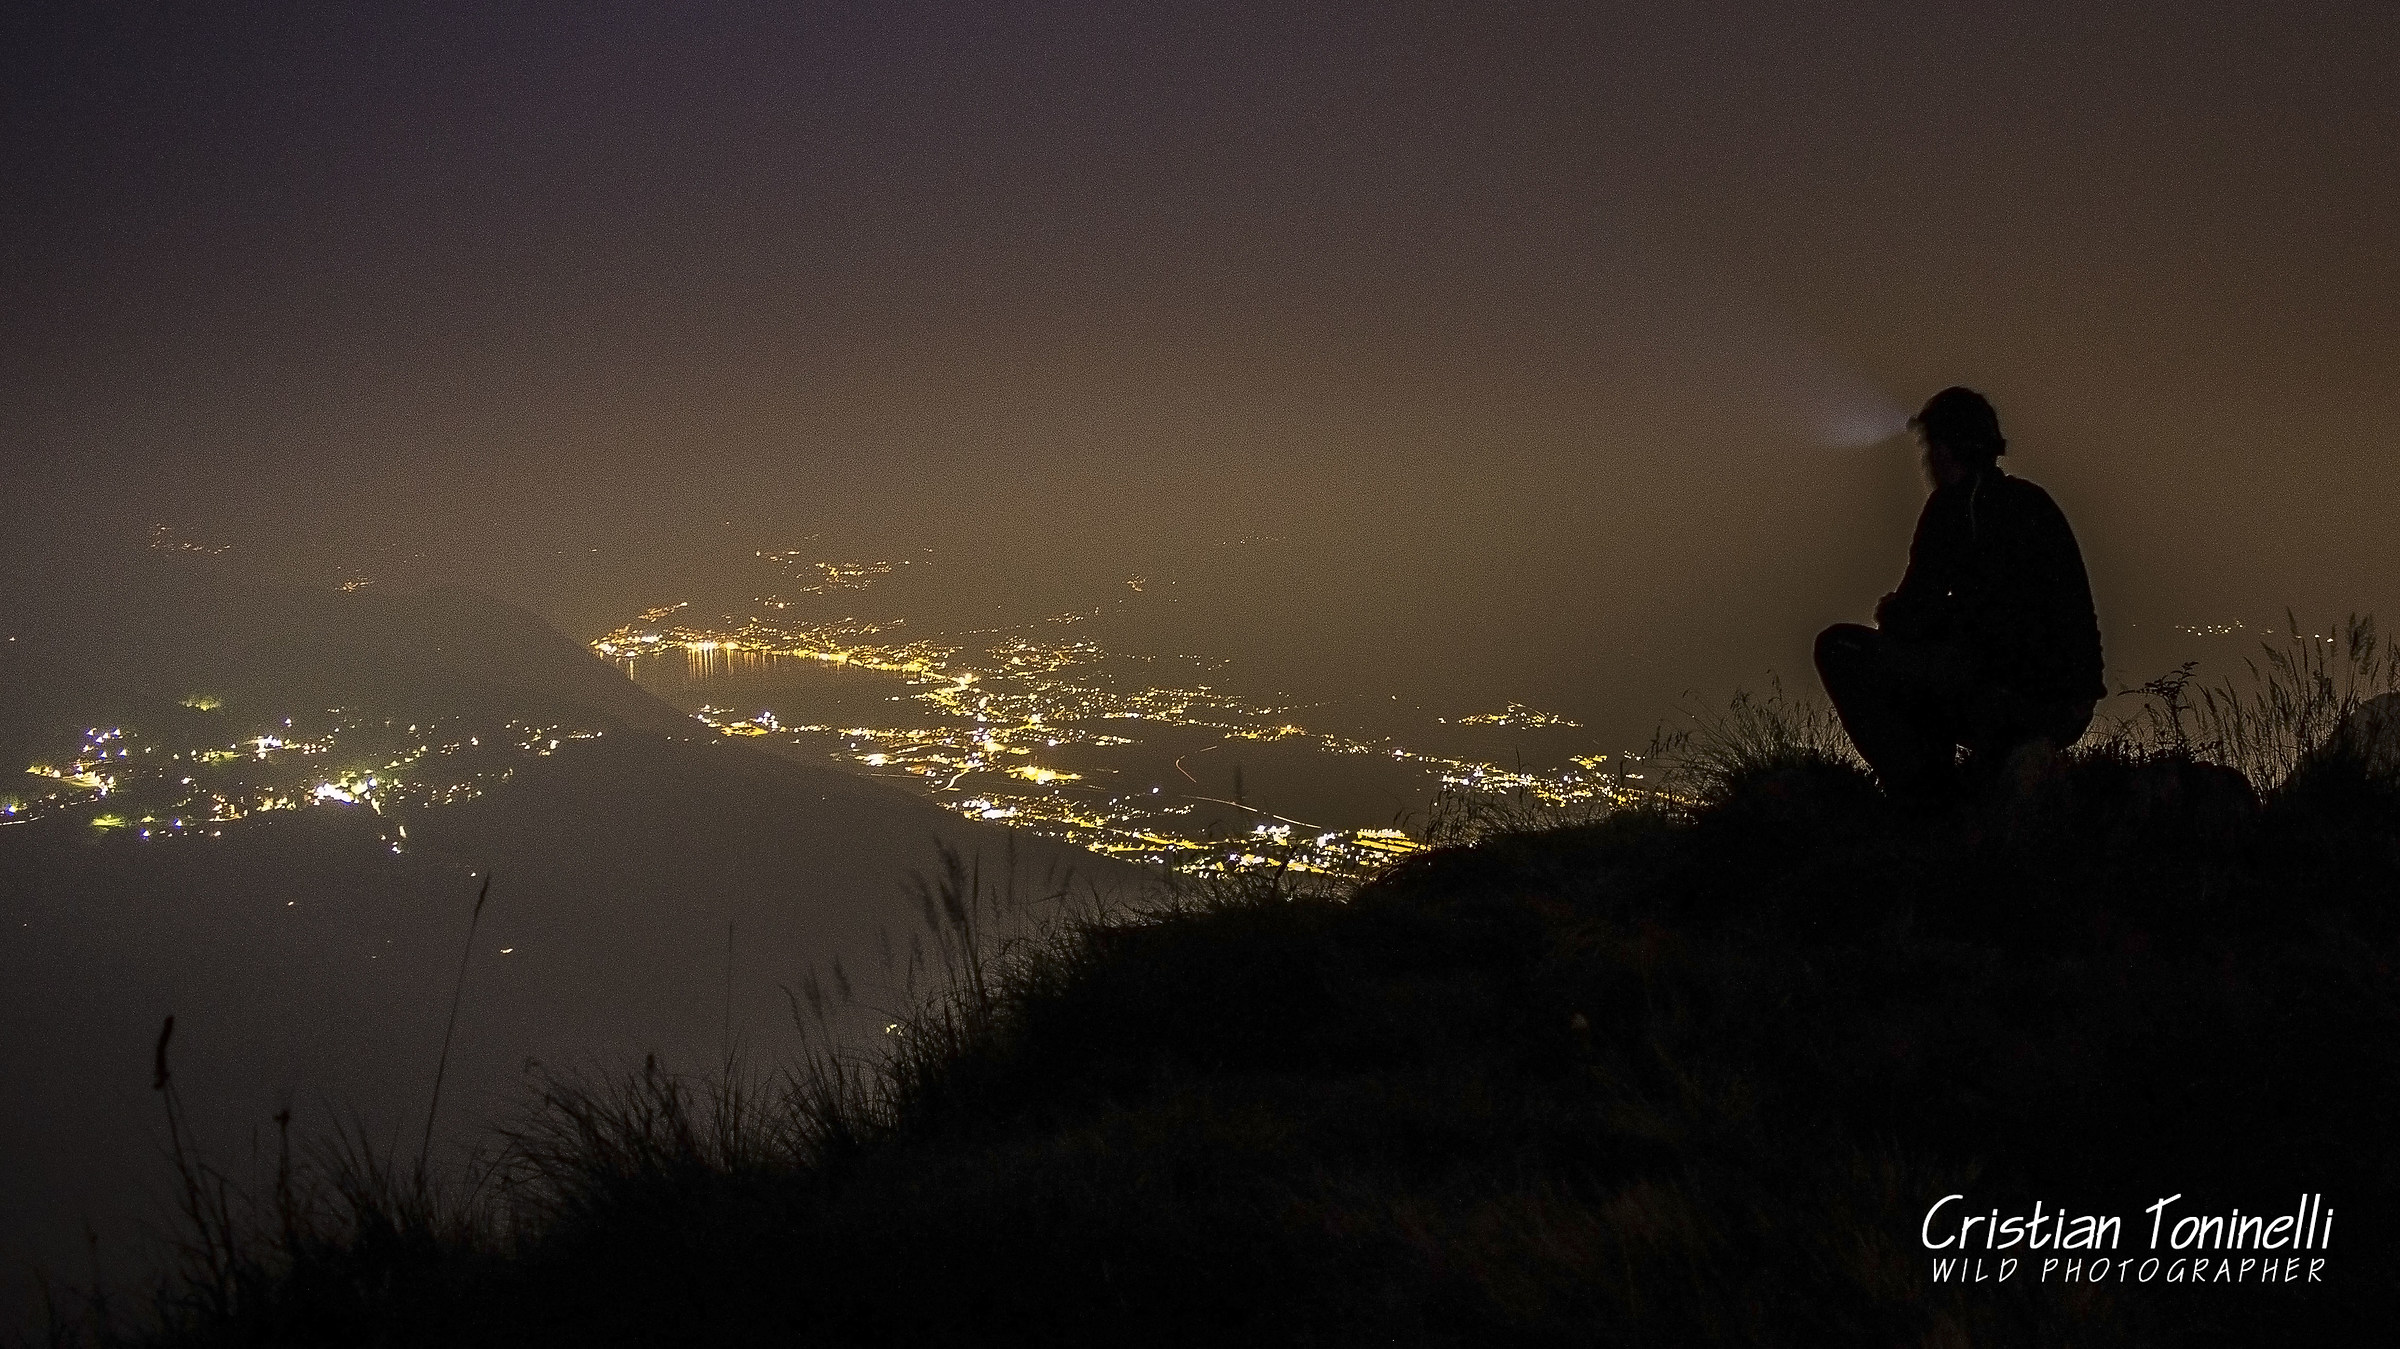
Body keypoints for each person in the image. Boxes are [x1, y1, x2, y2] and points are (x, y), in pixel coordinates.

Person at [1815, 387, 2103, 805]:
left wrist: (1897, 613)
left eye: (1932, 446)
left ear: (1949, 451)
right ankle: (1950, 787)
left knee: (1840, 648)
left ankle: (1925, 797)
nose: (1928, 460)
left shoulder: (1953, 510)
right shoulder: (2032, 502)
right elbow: (2070, 608)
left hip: (2008, 694)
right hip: (2059, 703)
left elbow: (1920, 610)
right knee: (1930, 664)